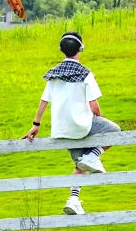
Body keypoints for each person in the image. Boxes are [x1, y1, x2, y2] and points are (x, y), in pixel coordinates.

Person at [23, 30, 120, 216]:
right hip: (82, 126)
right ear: (80, 48)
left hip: (62, 131)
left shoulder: (53, 75)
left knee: (80, 165)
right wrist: (98, 121)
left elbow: (44, 102)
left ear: (62, 49)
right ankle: (94, 155)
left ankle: (73, 200)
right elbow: (94, 107)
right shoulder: (85, 73)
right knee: (115, 131)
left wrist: (36, 124)